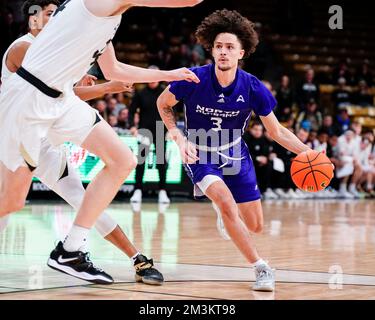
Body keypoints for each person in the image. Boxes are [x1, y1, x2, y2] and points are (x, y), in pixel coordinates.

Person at [0, 0, 202, 284]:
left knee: (122, 161)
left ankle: (72, 250)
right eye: (45, 13)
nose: (51, 17)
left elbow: (114, 69)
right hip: (30, 104)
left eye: (53, 12)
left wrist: (168, 74)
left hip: (61, 102)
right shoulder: (91, 5)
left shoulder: (107, 20)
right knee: (11, 201)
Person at [157, 9, 316, 292]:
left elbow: (276, 131)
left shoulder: (254, 88)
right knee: (227, 204)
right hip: (200, 152)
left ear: (241, 53)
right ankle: (261, 267)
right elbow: (163, 103)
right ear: (211, 49)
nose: (223, 52)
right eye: (218, 46)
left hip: (235, 154)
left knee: (255, 225)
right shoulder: (193, 78)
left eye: (230, 47)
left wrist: (307, 152)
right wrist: (177, 137)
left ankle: (226, 213)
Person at [129, 66, 170, 205]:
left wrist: (171, 129)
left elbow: (171, 110)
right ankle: (137, 190)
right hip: (144, 131)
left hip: (160, 129)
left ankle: (163, 191)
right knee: (141, 161)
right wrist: (132, 126)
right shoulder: (141, 93)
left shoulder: (165, 92)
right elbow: (131, 110)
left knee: (161, 162)